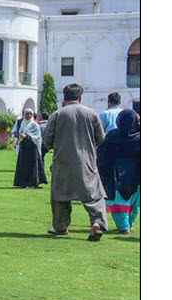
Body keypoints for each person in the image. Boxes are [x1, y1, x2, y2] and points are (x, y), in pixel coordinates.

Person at [43, 83, 108, 242]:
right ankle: (97, 223)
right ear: (80, 97)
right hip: (86, 162)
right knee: (93, 196)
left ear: (64, 98)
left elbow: (47, 140)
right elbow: (101, 138)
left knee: (60, 196)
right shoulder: (91, 114)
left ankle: (61, 227)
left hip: (63, 161)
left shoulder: (57, 114)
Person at [97, 109, 140, 235]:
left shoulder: (113, 135)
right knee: (134, 202)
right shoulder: (140, 137)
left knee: (119, 202)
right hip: (136, 175)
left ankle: (124, 227)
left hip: (117, 174)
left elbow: (103, 153)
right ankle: (129, 224)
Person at [13, 109, 47, 188]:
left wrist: (28, 136)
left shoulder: (34, 125)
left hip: (32, 147)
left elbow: (37, 136)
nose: (28, 115)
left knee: (32, 165)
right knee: (24, 165)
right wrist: (18, 136)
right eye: (27, 114)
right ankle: (23, 182)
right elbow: (20, 133)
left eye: (30, 114)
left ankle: (32, 183)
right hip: (24, 147)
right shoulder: (23, 124)